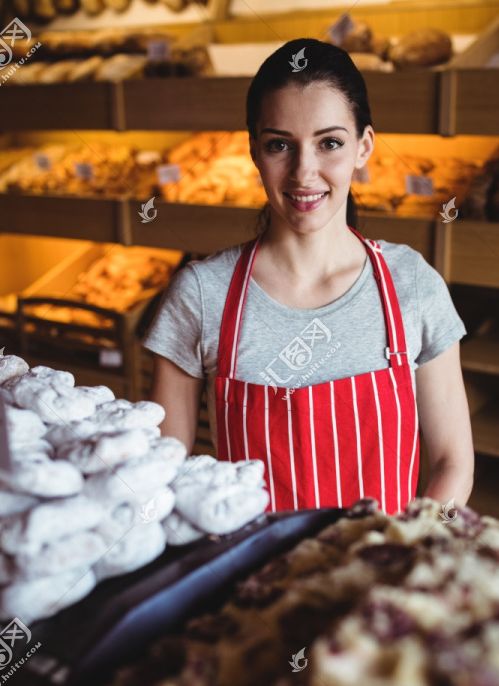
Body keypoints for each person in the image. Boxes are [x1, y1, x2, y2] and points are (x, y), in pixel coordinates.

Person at [143, 37, 474, 515]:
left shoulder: (412, 285)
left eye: (330, 143)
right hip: (255, 580)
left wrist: (408, 549)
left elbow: (451, 463)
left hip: (383, 572)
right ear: (255, 151)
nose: (304, 172)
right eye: (280, 144)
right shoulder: (200, 295)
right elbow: (164, 476)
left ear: (364, 147)